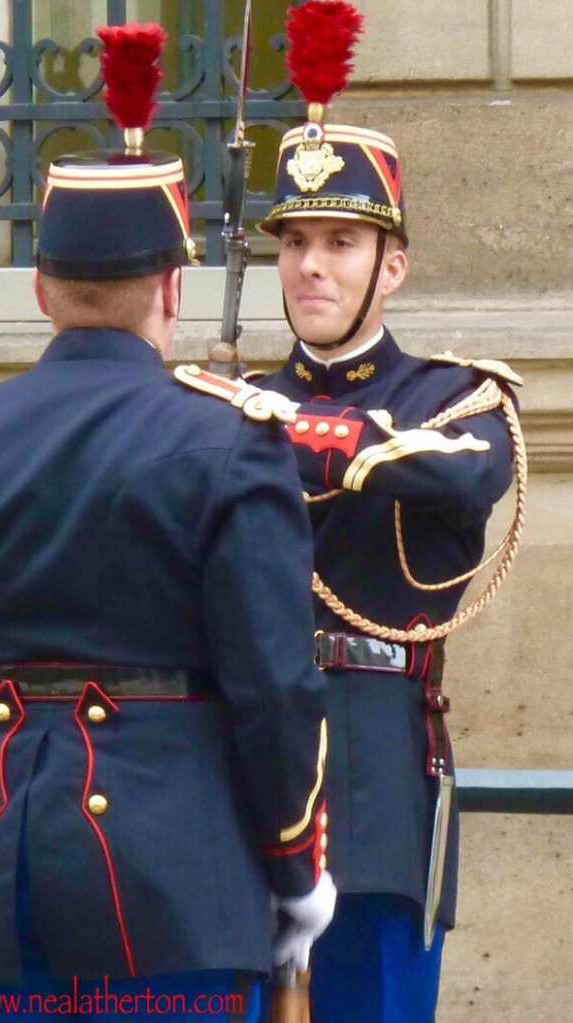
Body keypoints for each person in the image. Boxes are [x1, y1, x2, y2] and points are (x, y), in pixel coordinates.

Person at [0, 22, 336, 1023]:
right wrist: (296, 869)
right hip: (183, 896)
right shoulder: (232, 444)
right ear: (172, 288)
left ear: (40, 290)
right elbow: (273, 683)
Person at [175, 84, 525, 1023]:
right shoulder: (215, 401)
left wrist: (269, 425)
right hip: (229, 762)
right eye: (292, 242)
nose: (310, 268)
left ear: (393, 265)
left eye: (340, 243)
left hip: (372, 768)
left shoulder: (457, 399)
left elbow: (461, 479)